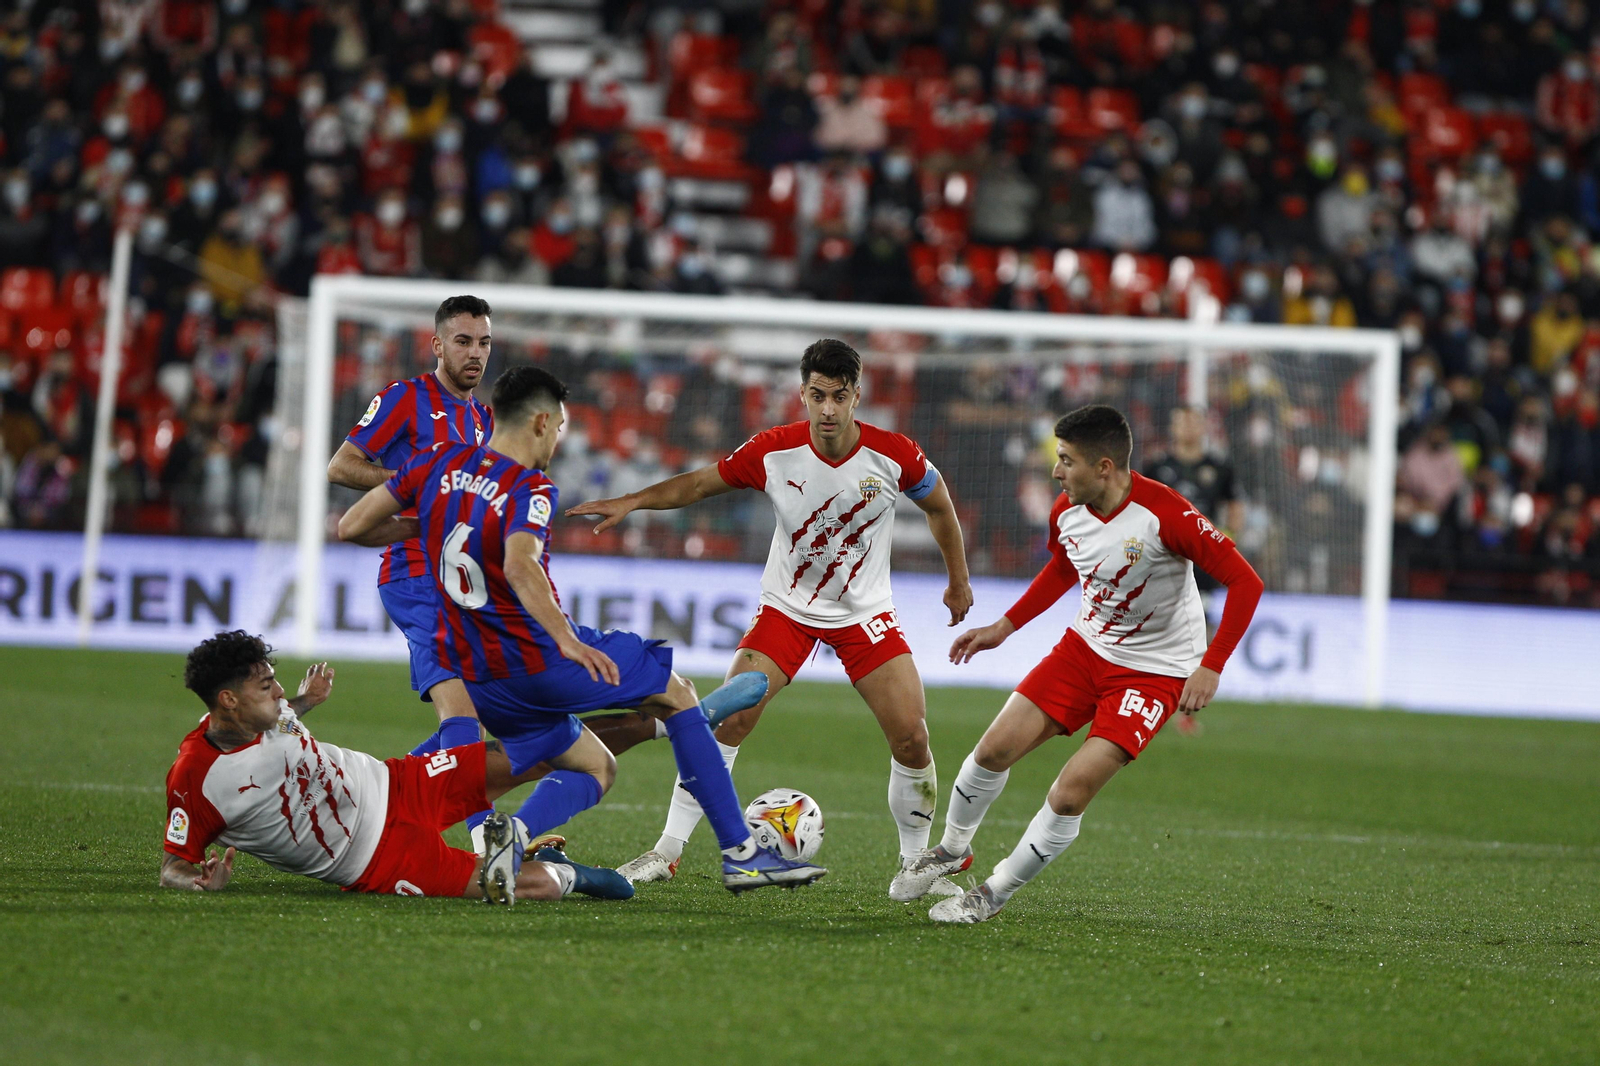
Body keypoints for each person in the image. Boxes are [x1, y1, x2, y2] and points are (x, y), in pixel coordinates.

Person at [337, 366, 824, 893]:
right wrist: (566, 641)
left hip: (476, 675)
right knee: (678, 694)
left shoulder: (432, 463)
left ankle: (513, 835)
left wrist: (429, 523)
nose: (559, 440)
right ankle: (742, 853)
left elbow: (351, 526)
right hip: (536, 657)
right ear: (542, 422)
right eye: (561, 427)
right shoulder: (529, 487)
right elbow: (522, 566)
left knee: (596, 766)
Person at [569, 339, 975, 899]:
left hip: (864, 614)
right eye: (817, 395)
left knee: (911, 737)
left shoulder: (895, 455)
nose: (828, 408)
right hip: (787, 607)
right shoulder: (773, 450)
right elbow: (697, 484)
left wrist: (958, 578)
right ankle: (666, 852)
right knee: (727, 718)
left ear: (857, 395)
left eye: (839, 396)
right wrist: (633, 500)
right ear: (802, 393)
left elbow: (940, 505)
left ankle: (915, 867)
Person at [897, 405, 1264, 923]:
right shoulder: (1066, 510)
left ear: (1105, 467)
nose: (1056, 471)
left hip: (1154, 672)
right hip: (1085, 649)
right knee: (993, 748)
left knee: (1069, 794)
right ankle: (953, 850)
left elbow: (1247, 582)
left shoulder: (1167, 514)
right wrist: (1004, 627)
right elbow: (1064, 567)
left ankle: (992, 893)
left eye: (1066, 460)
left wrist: (1212, 665)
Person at [325, 294, 655, 837]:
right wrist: (416, 493)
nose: (474, 353)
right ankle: (485, 837)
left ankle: (375, 803)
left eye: (483, 343)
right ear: (436, 345)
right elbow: (342, 466)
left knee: (485, 716)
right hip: (415, 575)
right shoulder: (405, 399)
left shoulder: (487, 420)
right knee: (465, 716)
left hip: (469, 585)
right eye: (462, 341)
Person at [159, 630, 631, 904]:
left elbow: (282, 720)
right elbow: (172, 867)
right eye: (267, 687)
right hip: (377, 861)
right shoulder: (196, 779)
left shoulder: (264, 712)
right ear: (228, 701)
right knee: (523, 888)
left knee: (569, 756)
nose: (280, 693)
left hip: (399, 784)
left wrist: (309, 699)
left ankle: (522, 834)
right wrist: (199, 883)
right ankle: (570, 873)